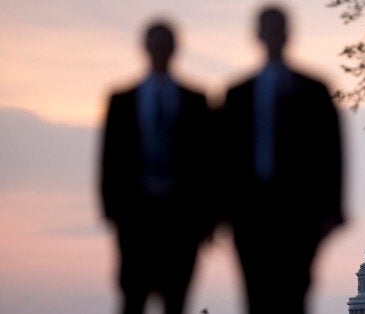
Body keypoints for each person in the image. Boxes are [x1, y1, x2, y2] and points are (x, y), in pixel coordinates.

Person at [220, 5, 345, 314]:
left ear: (289, 34)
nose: (274, 35)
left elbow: (331, 153)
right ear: (258, 35)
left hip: (299, 213)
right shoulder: (236, 94)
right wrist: (222, 212)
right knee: (255, 296)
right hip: (250, 212)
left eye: (279, 29)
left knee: (295, 296)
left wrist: (332, 210)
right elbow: (222, 159)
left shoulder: (315, 90)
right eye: (269, 29)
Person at [99, 19, 218, 314]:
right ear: (145, 48)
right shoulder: (121, 101)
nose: (161, 51)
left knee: (176, 302)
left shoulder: (197, 101)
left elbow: (209, 167)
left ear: (176, 49)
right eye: (157, 45)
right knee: (132, 301)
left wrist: (206, 222)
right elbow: (109, 163)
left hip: (182, 225)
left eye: (166, 45)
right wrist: (115, 214)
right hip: (134, 222)